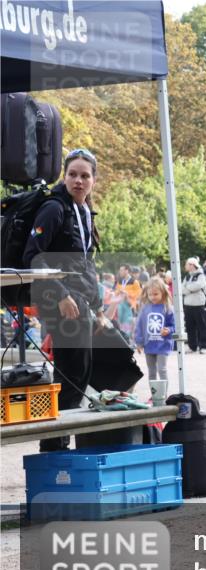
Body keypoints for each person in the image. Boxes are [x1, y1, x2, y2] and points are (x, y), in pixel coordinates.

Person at [22, 148, 104, 451]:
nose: (78, 180)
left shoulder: (83, 211)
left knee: (79, 373)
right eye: (73, 174)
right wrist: (61, 295)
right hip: (60, 303)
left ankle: (59, 441)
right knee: (71, 375)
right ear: (64, 176)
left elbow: (85, 265)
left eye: (85, 176)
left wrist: (97, 307)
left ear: (94, 180)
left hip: (81, 303)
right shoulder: (55, 209)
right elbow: (34, 257)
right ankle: (54, 446)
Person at [134, 277, 175, 390]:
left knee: (162, 369)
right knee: (151, 372)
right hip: (149, 345)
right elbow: (139, 326)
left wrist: (169, 330)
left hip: (163, 344)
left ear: (163, 292)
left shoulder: (168, 308)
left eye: (156, 294)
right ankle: (154, 395)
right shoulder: (145, 308)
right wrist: (139, 342)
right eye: (150, 295)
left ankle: (163, 395)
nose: (153, 297)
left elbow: (174, 326)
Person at [182, 257, 206, 353]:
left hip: (198, 304)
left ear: (192, 265)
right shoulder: (187, 276)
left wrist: (188, 289)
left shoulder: (201, 275)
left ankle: (204, 346)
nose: (185, 266)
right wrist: (189, 289)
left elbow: (198, 285)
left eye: (187, 264)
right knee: (190, 326)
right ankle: (192, 346)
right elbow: (182, 288)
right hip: (188, 305)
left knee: (201, 326)